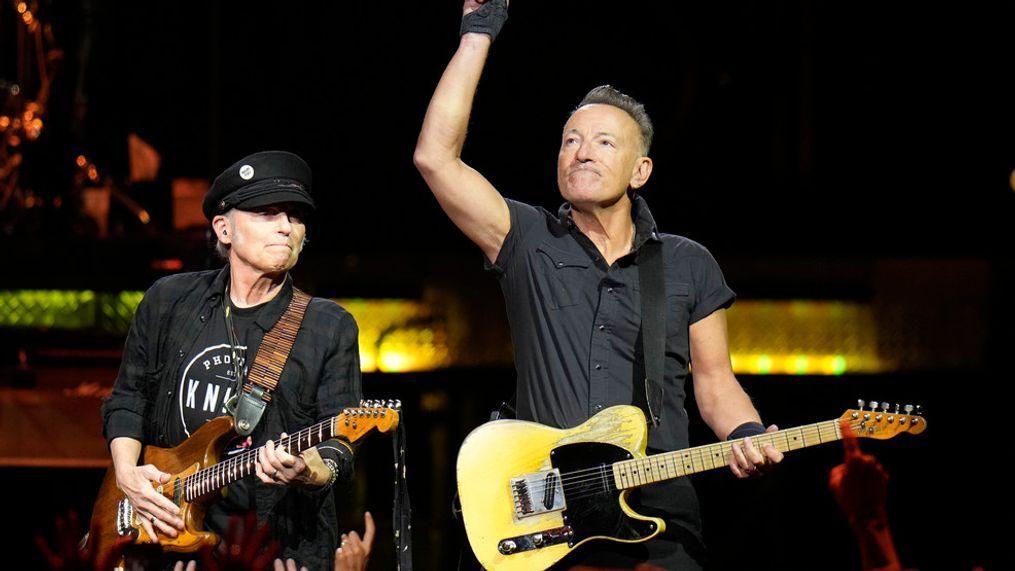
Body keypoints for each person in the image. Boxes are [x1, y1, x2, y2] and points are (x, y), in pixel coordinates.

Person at [413, 1, 783, 568]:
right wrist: (478, 32)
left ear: (642, 172)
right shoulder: (528, 237)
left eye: (604, 143)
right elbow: (436, 158)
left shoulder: (688, 263)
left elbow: (713, 382)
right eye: (570, 140)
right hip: (548, 513)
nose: (581, 152)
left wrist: (747, 432)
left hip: (655, 508)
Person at [101, 150, 362, 570]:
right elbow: (127, 398)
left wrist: (310, 471)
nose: (286, 227)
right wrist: (128, 476)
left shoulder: (328, 325)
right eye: (268, 213)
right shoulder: (168, 301)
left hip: (275, 550)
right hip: (163, 539)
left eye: (295, 216)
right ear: (224, 228)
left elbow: (341, 442)